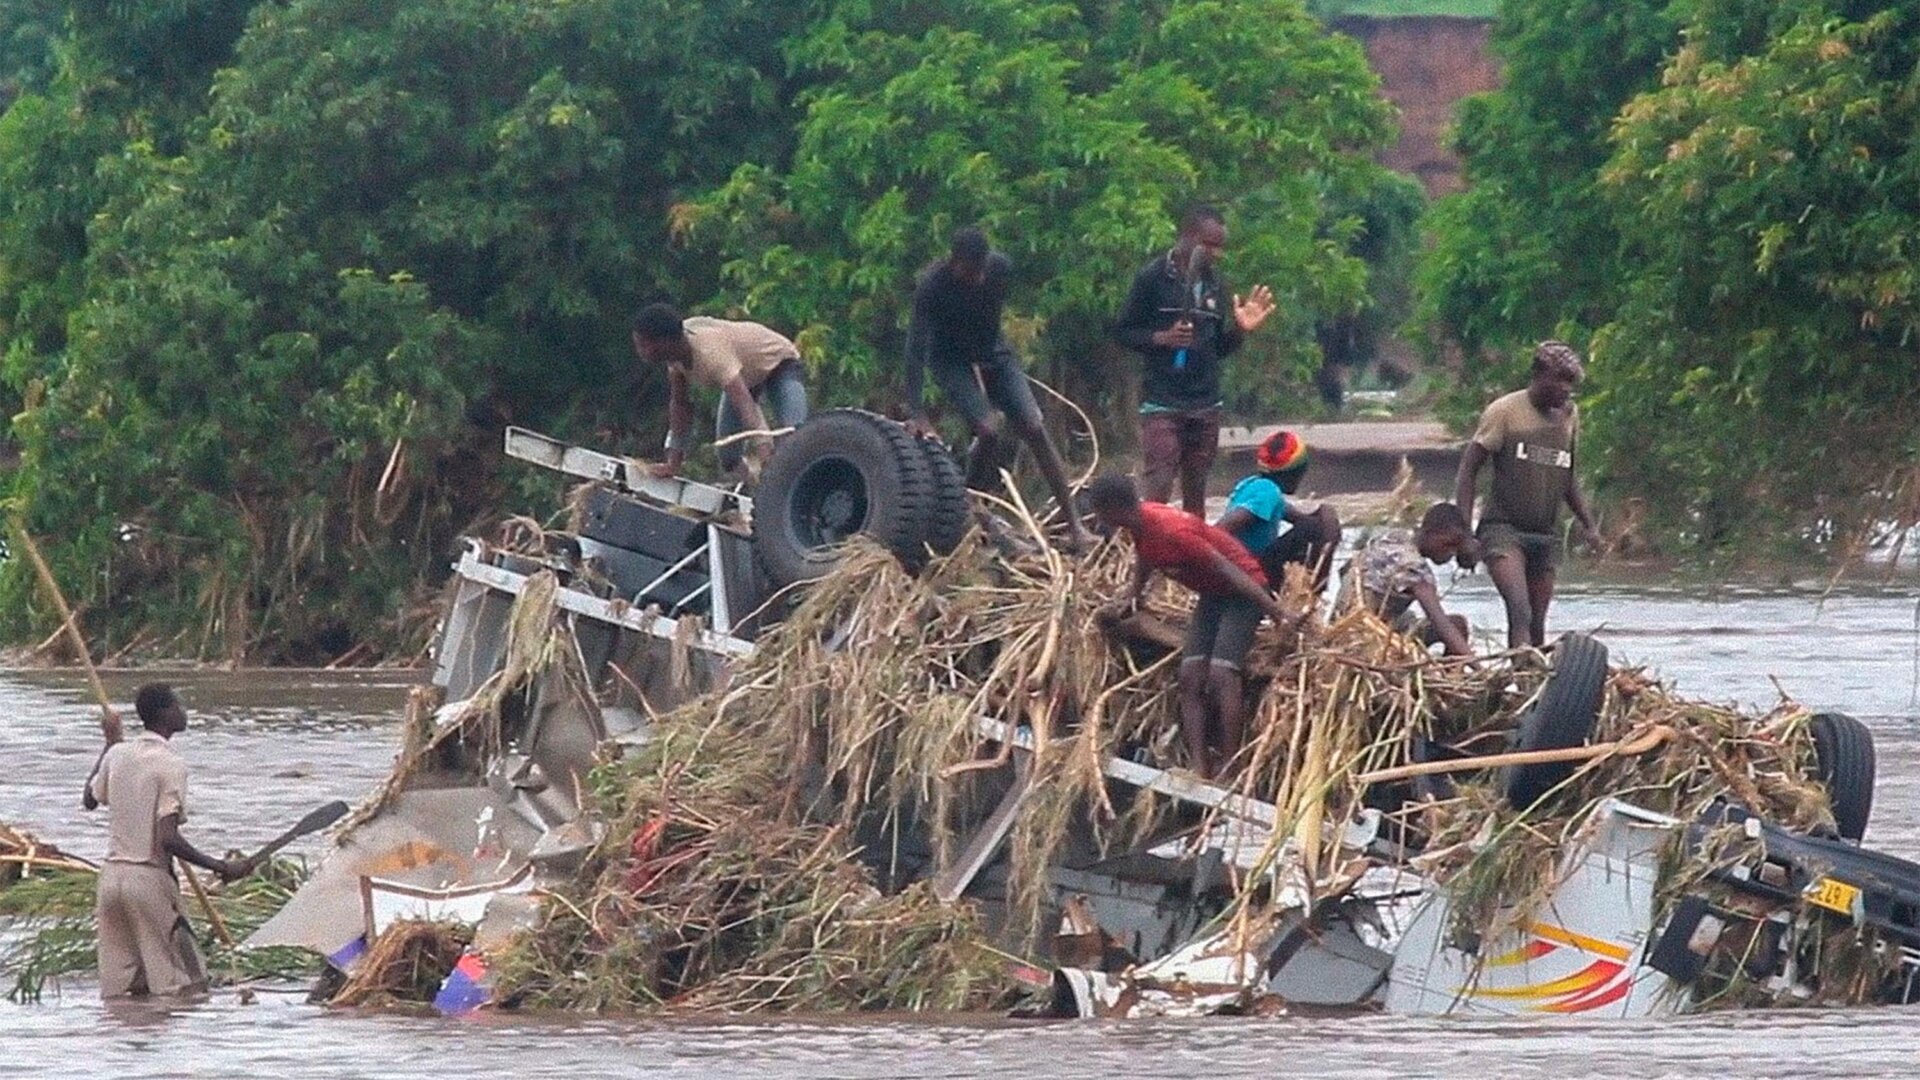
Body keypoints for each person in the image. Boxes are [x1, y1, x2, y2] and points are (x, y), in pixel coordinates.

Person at [1087, 474, 1300, 779]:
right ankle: (1199, 768)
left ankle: (1230, 766)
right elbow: (1145, 555)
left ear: (1113, 508)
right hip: (1212, 592)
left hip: (1244, 590)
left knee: (1222, 673)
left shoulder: (1172, 530)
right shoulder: (1140, 524)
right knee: (1189, 676)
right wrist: (1134, 594)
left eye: (1099, 512)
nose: (1098, 519)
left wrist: (1277, 613)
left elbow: (1229, 569)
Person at [904, 227, 1093, 549]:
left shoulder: (999, 268)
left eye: (981, 270)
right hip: (950, 359)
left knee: (1034, 425)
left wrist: (990, 370)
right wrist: (917, 411)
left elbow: (987, 324)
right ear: (955, 263)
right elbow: (915, 348)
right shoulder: (932, 287)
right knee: (989, 430)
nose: (977, 278)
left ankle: (1075, 524)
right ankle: (969, 507)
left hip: (993, 353)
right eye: (970, 271)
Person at [83, 684, 252, 999]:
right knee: (181, 984)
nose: (184, 711)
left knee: (120, 990)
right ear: (164, 714)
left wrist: (109, 744)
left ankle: (120, 1044)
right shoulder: (170, 764)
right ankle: (169, 1046)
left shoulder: (118, 754)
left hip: (111, 881)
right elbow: (168, 838)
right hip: (148, 880)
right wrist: (221, 866)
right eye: (178, 705)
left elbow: (90, 799)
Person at [1113, 205, 1277, 515]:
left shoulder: (1214, 283)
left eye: (1220, 247)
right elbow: (1123, 332)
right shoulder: (1152, 278)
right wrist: (1162, 339)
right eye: (1210, 245)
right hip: (1162, 401)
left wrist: (1241, 331)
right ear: (1187, 238)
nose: (1216, 254)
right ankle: (1149, 553)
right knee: (1159, 485)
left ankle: (1191, 560)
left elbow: (1217, 349)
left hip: (1205, 403)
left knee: (1196, 493)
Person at [1453, 341, 1602, 648]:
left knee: (1537, 622)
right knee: (1519, 610)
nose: (1565, 390)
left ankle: (1531, 687)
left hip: (1544, 534)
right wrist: (1465, 533)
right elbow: (1468, 471)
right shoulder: (1504, 412)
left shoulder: (1569, 417)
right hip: (1503, 531)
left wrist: (1589, 526)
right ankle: (1519, 677)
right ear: (1537, 375)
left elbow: (1567, 476)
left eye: (1570, 384)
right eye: (1558, 379)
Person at [631, 304, 809, 479]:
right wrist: (673, 463)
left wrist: (764, 449)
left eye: (643, 345)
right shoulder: (675, 358)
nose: (641, 352)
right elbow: (680, 406)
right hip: (745, 375)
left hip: (780, 363)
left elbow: (745, 406)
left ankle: (787, 483)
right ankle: (753, 486)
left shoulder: (710, 354)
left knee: (793, 439)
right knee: (728, 456)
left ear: (664, 341)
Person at [1337, 503, 1478, 657]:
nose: (1451, 552)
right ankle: (1453, 676)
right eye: (1448, 544)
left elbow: (1345, 569)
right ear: (1429, 532)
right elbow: (1440, 623)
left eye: (1456, 548)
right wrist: (1477, 666)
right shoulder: (1413, 567)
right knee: (1456, 627)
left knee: (1446, 622)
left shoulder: (1392, 538)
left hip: (1343, 626)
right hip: (1364, 638)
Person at [1214, 431, 1343, 594]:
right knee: (1319, 524)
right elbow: (1220, 530)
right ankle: (1317, 590)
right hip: (1250, 570)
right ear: (1295, 473)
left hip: (1247, 566)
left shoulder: (1254, 484)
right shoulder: (1268, 492)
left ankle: (1314, 589)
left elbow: (1300, 519)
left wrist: (1326, 516)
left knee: (1323, 517)